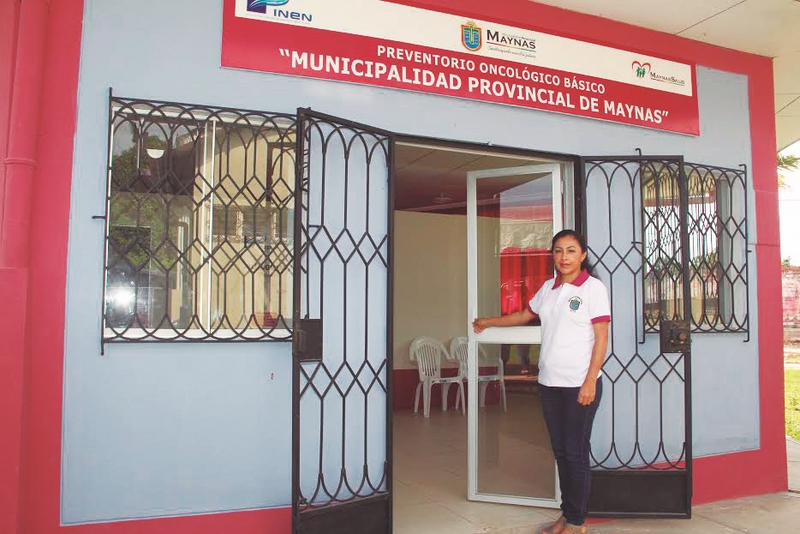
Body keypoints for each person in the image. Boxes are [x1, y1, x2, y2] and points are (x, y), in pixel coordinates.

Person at [472, 229, 610, 534]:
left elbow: (602, 338)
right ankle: (567, 514)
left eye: (571, 251)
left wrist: (590, 381)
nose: (564, 257)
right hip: (550, 384)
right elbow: (523, 315)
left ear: (583, 255)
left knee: (575, 452)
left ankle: (576, 522)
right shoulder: (549, 288)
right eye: (558, 251)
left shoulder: (593, 288)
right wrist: (487, 322)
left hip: (579, 385)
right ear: (553, 255)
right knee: (561, 452)